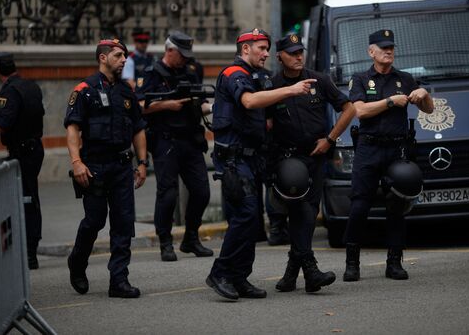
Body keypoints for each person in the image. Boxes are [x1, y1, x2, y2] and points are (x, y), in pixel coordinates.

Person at [206, 28, 317, 300]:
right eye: (261, 48)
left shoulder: (260, 77)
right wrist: (289, 90)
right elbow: (249, 101)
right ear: (245, 49)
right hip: (233, 159)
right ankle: (220, 273)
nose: (266, 53)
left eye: (268, 49)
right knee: (244, 215)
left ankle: (240, 277)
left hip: (254, 158)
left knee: (253, 221)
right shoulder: (234, 74)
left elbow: (267, 115)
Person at [342, 30, 434, 282]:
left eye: (391, 47)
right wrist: (391, 102)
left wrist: (424, 95)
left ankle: (394, 262)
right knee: (360, 205)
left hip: (397, 150)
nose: (389, 51)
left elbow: (428, 109)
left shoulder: (404, 79)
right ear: (371, 52)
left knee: (396, 207)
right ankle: (352, 263)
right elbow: (360, 111)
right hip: (369, 149)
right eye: (383, 48)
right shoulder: (360, 79)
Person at [269, 33, 356, 293]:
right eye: (292, 52)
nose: (298, 56)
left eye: (300, 51)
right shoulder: (272, 85)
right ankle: (311, 270)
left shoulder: (319, 79)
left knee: (307, 213)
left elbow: (349, 108)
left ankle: (290, 276)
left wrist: (330, 139)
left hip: (316, 156)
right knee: (302, 212)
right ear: (279, 57)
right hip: (287, 160)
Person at [64, 38, 148, 298]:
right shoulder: (84, 90)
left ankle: (119, 280)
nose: (124, 60)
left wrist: (142, 163)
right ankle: (77, 262)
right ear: (103, 58)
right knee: (94, 221)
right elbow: (73, 128)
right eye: (118, 55)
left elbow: (138, 129)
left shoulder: (126, 92)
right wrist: (76, 163)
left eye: (124, 56)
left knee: (123, 223)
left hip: (122, 167)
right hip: (94, 166)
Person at [137, 31, 214, 262]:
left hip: (190, 139)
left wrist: (214, 109)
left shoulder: (191, 71)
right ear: (169, 50)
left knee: (202, 192)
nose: (185, 59)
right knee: (167, 195)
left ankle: (191, 238)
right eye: (182, 54)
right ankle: (165, 243)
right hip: (165, 140)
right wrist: (166, 105)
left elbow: (198, 104)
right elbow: (139, 106)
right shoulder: (150, 73)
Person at [0, 53, 45, 270]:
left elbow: (2, 126)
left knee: (24, 199)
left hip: (22, 152)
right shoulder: (31, 86)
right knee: (30, 198)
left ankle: (27, 253)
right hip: (35, 148)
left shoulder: (9, 90)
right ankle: (30, 250)